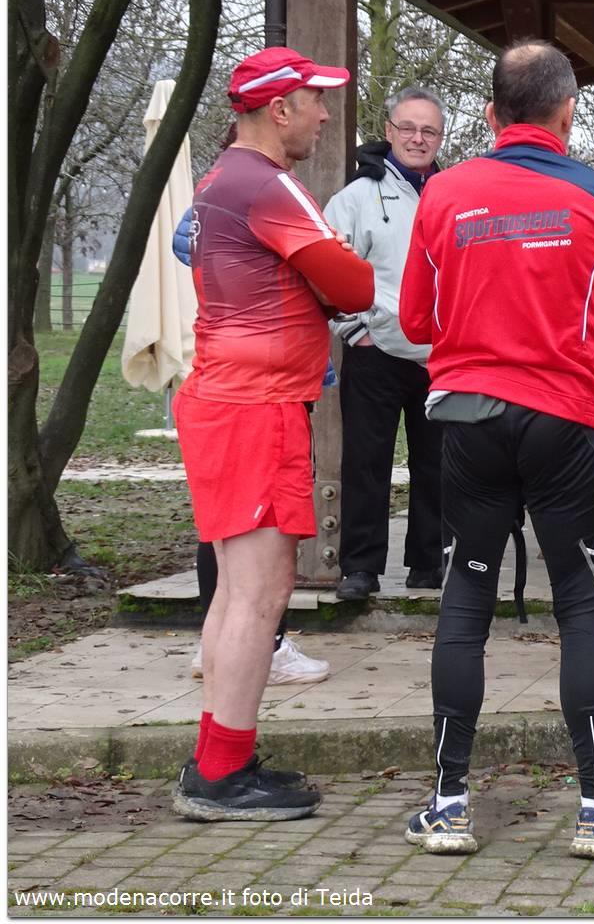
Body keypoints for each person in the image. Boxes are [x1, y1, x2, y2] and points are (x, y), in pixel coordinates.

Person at [398, 40, 594, 859]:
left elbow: (415, 320)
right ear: (569, 112)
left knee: (465, 597)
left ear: (488, 114)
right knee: (579, 600)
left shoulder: (442, 193)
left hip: (468, 419)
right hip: (563, 421)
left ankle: (447, 803)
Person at [171, 46, 373, 821]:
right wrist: (332, 274)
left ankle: (218, 759)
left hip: (230, 400)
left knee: (238, 591)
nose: (325, 116)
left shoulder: (223, 177)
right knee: (261, 594)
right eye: (316, 101)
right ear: (279, 108)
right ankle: (220, 776)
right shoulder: (268, 184)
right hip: (256, 407)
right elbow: (353, 282)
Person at [173, 188, 329, 688]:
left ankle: (222, 672)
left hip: (242, 385)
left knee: (234, 558)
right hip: (253, 394)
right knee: (256, 583)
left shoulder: (230, 197)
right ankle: (265, 649)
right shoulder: (244, 195)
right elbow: (347, 286)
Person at [323, 87, 448, 601]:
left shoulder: (452, 193)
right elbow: (328, 268)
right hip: (374, 350)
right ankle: (361, 567)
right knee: (366, 462)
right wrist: (355, 331)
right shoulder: (355, 197)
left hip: (437, 354)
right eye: (408, 128)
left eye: (429, 130)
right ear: (389, 131)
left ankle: (428, 562)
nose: (418, 139)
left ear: (440, 138)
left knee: (437, 463)